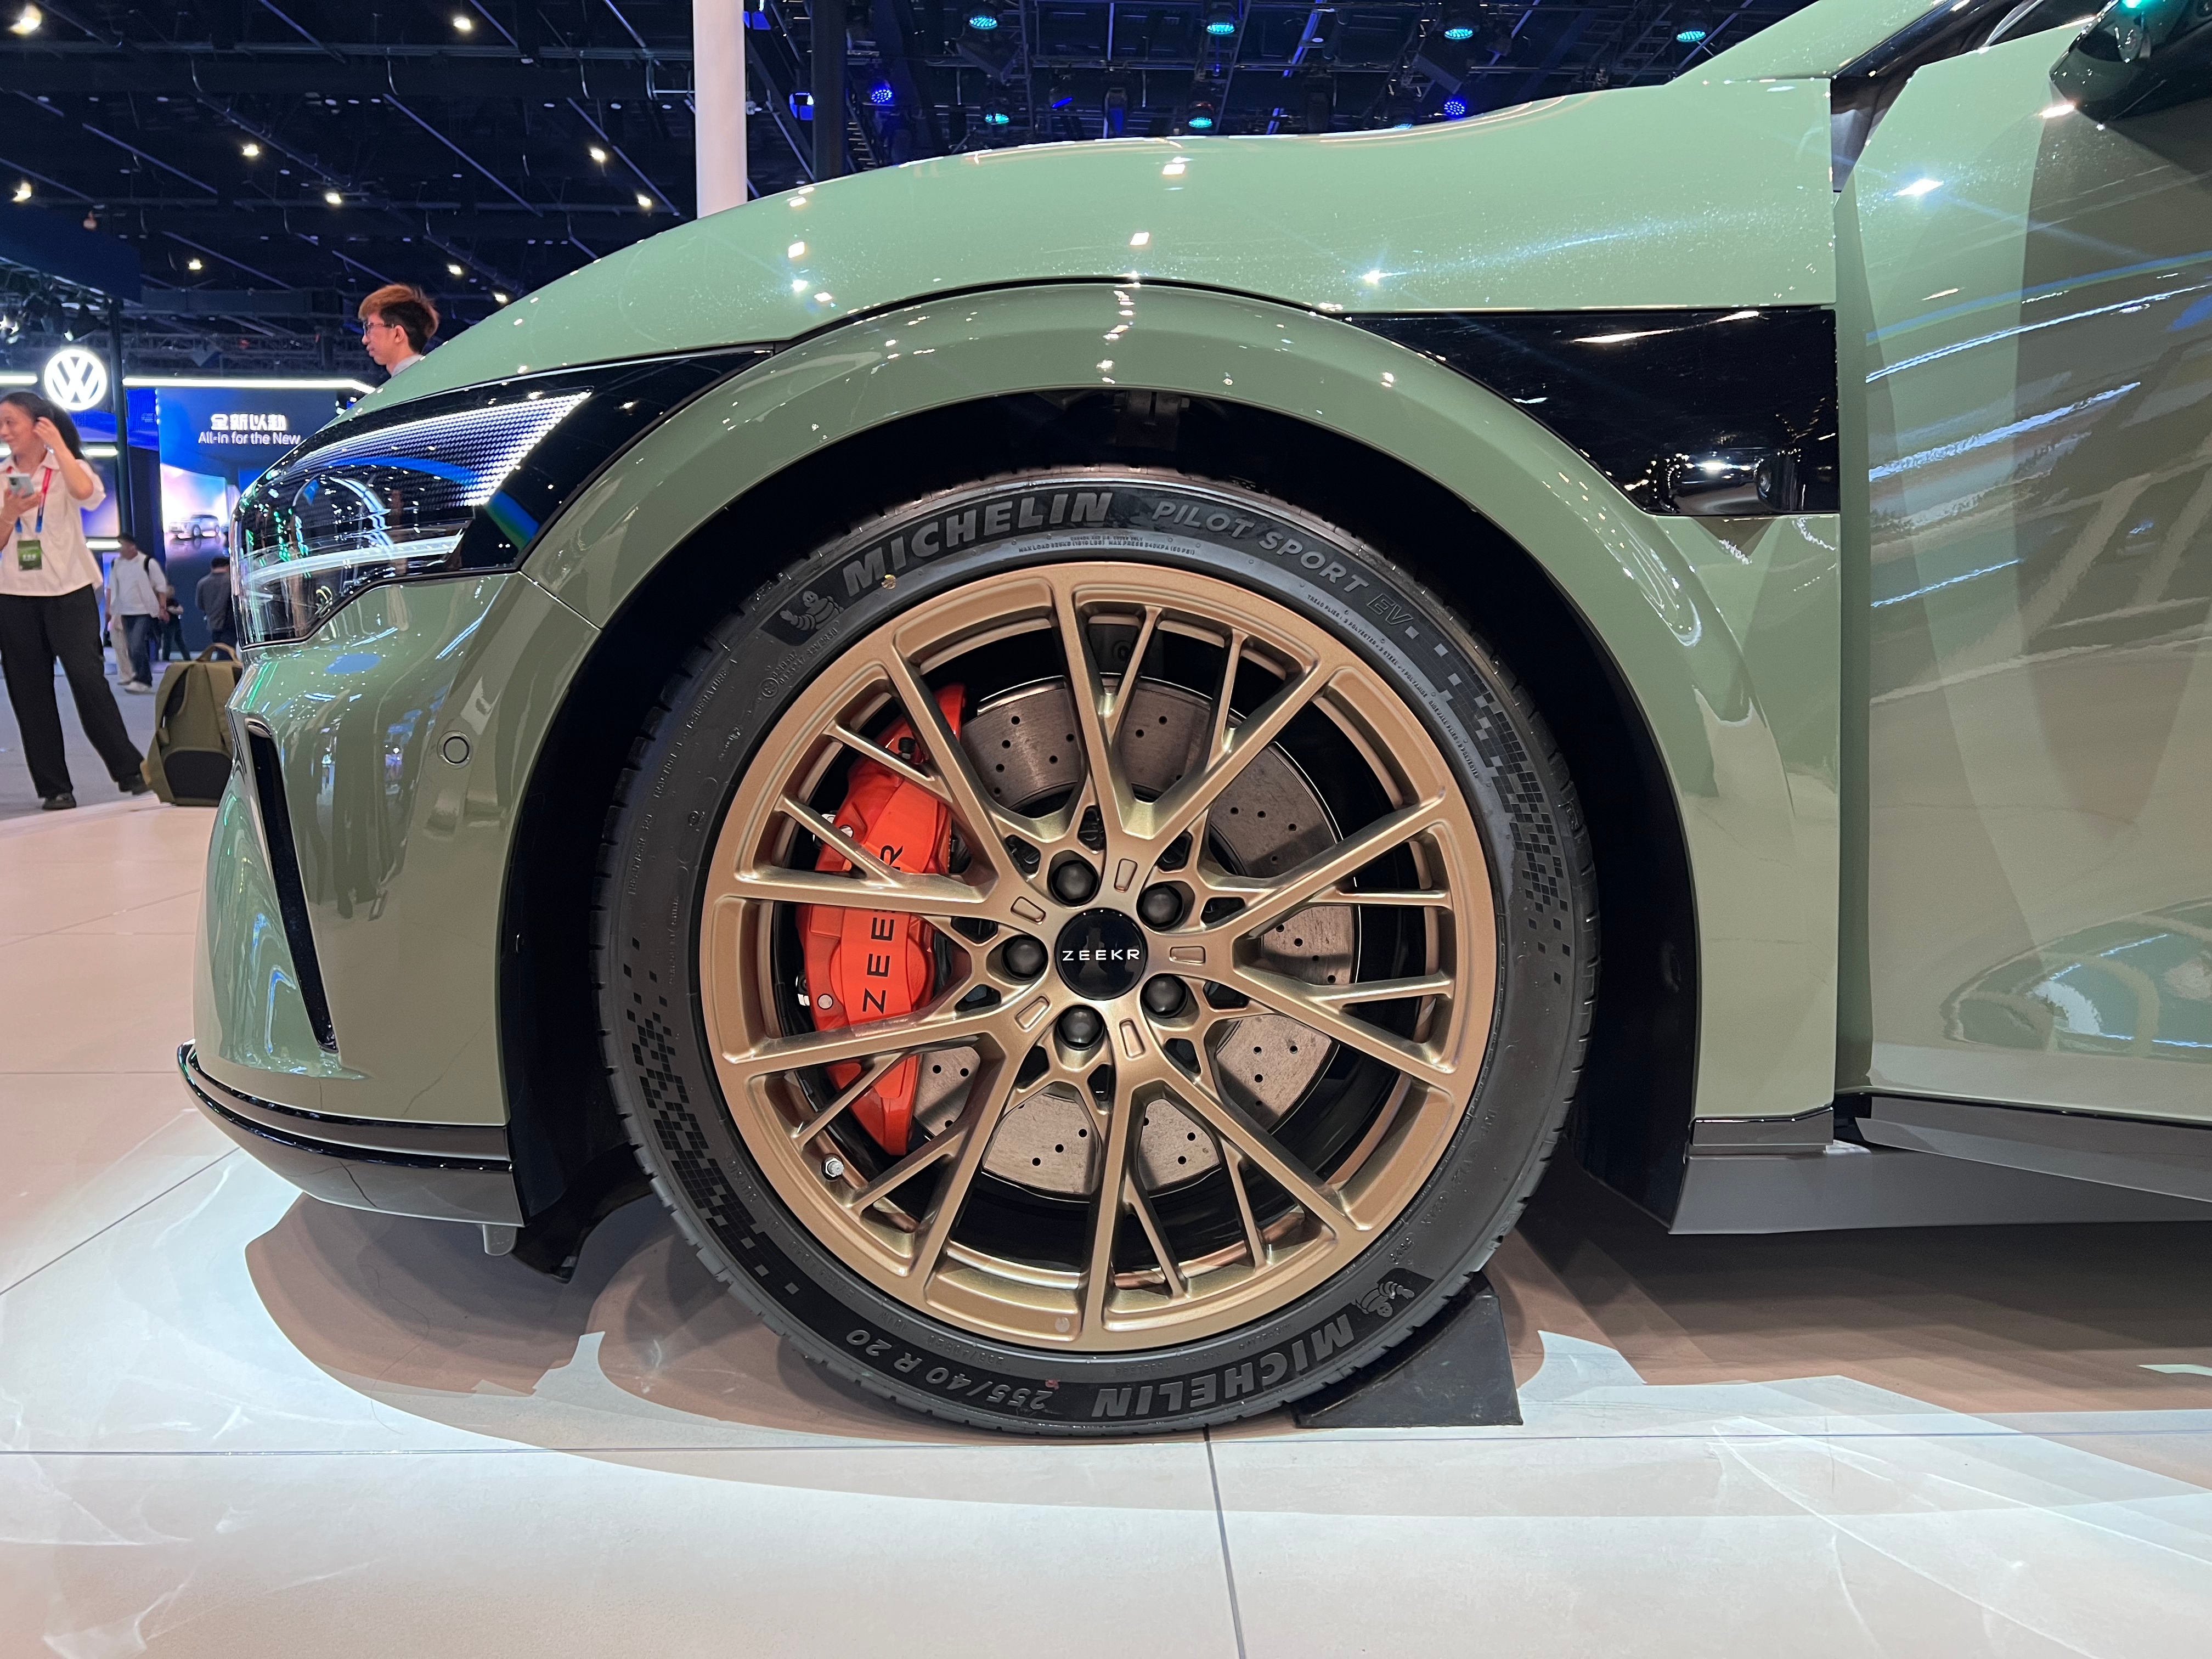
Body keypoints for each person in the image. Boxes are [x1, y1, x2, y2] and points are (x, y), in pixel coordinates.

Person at [0, 390, 150, 810]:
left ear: (39, 425)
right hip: (14, 597)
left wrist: (59, 447)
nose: (4, 431)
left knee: (88, 680)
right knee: (30, 694)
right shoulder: (3, 475)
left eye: (11, 422)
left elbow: (86, 493)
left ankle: (129, 770)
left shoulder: (67, 467)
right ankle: (54, 787)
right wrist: (9, 513)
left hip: (70, 593)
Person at [104, 533, 171, 693]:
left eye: (123, 545)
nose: (120, 549)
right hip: (124, 612)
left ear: (132, 546)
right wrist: (109, 609)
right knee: (131, 647)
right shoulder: (117, 564)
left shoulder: (147, 563)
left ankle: (143, 680)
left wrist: (162, 608)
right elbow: (111, 587)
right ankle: (140, 677)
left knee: (136, 645)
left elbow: (161, 587)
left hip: (144, 612)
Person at [358, 283, 439, 377]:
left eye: (370, 327)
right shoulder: (430, 376)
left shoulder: (409, 381)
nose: (364, 340)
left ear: (398, 334)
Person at [198, 552, 237, 652]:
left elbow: (200, 605)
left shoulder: (202, 583)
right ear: (228, 567)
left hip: (213, 624)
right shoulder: (232, 580)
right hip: (231, 625)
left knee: (220, 650)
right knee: (230, 653)